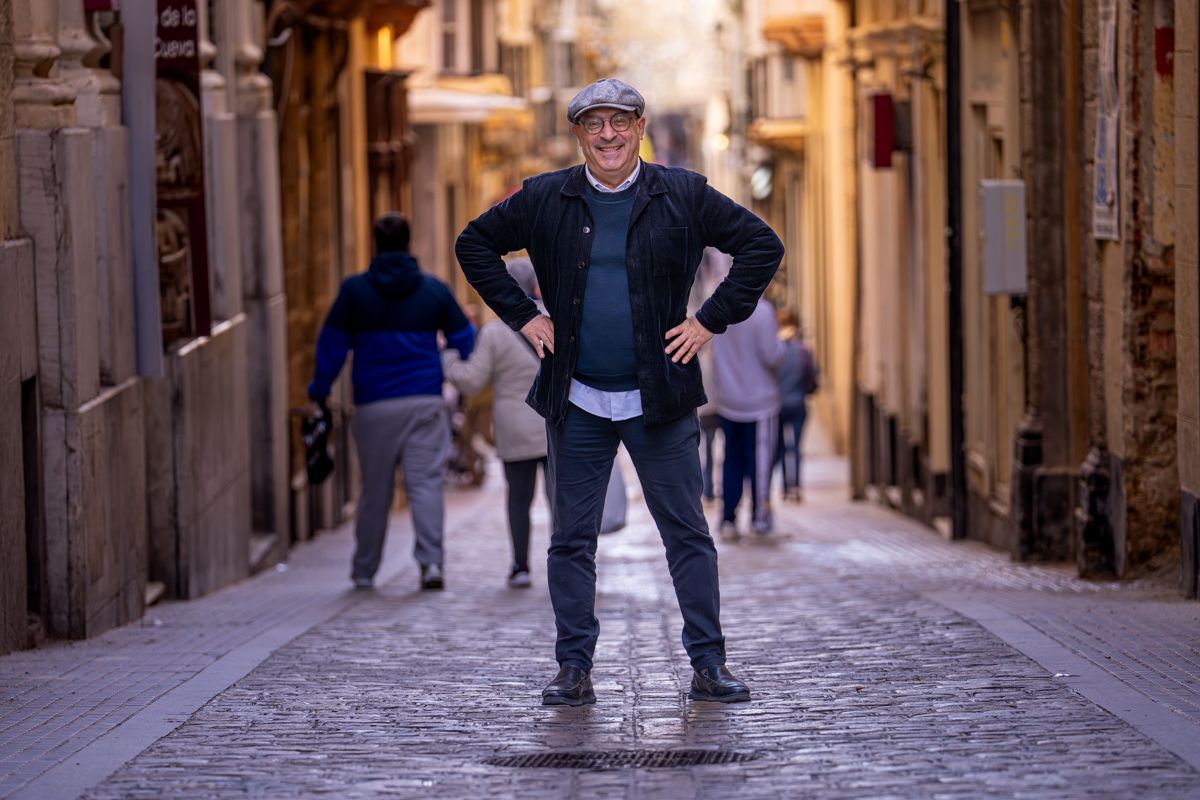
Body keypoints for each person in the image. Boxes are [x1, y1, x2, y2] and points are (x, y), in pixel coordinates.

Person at [455, 78, 783, 706]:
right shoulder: (546, 196)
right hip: (574, 397)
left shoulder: (681, 193)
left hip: (658, 396)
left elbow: (761, 246)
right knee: (570, 540)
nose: (608, 134)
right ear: (578, 134)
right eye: (593, 124)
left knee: (686, 533)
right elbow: (474, 245)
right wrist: (524, 315)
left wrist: (709, 320)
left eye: (620, 122)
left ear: (640, 127)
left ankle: (709, 664)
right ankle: (573, 669)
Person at [309, 213, 475, 592]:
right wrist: (450, 366)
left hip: (373, 405)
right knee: (426, 486)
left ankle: (365, 570)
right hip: (423, 401)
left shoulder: (354, 292)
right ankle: (431, 564)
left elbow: (332, 346)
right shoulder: (433, 290)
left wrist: (319, 389)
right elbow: (465, 338)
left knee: (374, 491)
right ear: (409, 244)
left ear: (375, 245)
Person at [441, 259, 548, 588]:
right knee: (562, 498)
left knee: (519, 497)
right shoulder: (551, 320)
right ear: (533, 286)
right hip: (553, 420)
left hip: (513, 424)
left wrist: (448, 360)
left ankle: (520, 566)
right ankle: (569, 562)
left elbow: (472, 381)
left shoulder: (494, 332)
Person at [711, 297, 786, 539]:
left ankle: (728, 518)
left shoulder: (717, 307)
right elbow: (772, 355)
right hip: (760, 402)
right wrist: (784, 344)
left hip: (728, 400)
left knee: (731, 460)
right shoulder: (762, 311)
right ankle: (760, 518)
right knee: (760, 462)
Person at [776, 312, 819, 502]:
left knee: (782, 447)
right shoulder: (803, 350)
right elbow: (812, 375)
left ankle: (785, 486)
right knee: (796, 446)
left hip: (777, 405)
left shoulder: (775, 349)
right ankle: (796, 486)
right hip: (798, 402)